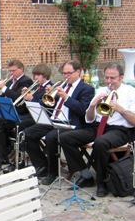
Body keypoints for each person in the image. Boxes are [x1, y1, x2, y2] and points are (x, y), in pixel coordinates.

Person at [60, 63, 135, 197]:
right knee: (66, 137)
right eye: (106, 78)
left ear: (121, 77)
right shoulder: (101, 89)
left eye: (112, 78)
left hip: (120, 129)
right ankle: (85, 174)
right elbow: (89, 119)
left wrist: (119, 108)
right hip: (98, 126)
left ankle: (101, 182)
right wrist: (93, 106)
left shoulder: (131, 92)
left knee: (101, 142)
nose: (108, 81)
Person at [23, 60, 95, 185]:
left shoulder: (86, 89)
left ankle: (53, 172)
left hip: (72, 124)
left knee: (52, 137)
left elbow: (82, 110)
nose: (66, 76)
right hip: (55, 120)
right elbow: (50, 105)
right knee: (28, 133)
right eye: (64, 73)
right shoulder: (63, 86)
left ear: (78, 71)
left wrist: (66, 97)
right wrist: (48, 95)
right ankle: (42, 165)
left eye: (69, 73)